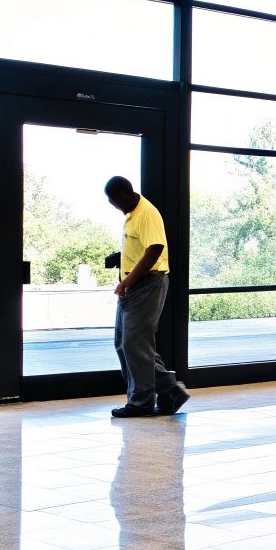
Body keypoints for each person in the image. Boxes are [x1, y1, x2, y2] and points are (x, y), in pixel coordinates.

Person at [104, 176, 190, 418]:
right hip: (134, 286)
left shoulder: (146, 213)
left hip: (147, 284)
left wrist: (127, 281)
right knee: (125, 343)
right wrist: (119, 259)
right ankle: (170, 391)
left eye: (113, 201)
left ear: (123, 193)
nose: (113, 206)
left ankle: (141, 402)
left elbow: (155, 249)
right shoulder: (132, 216)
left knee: (135, 343)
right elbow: (141, 248)